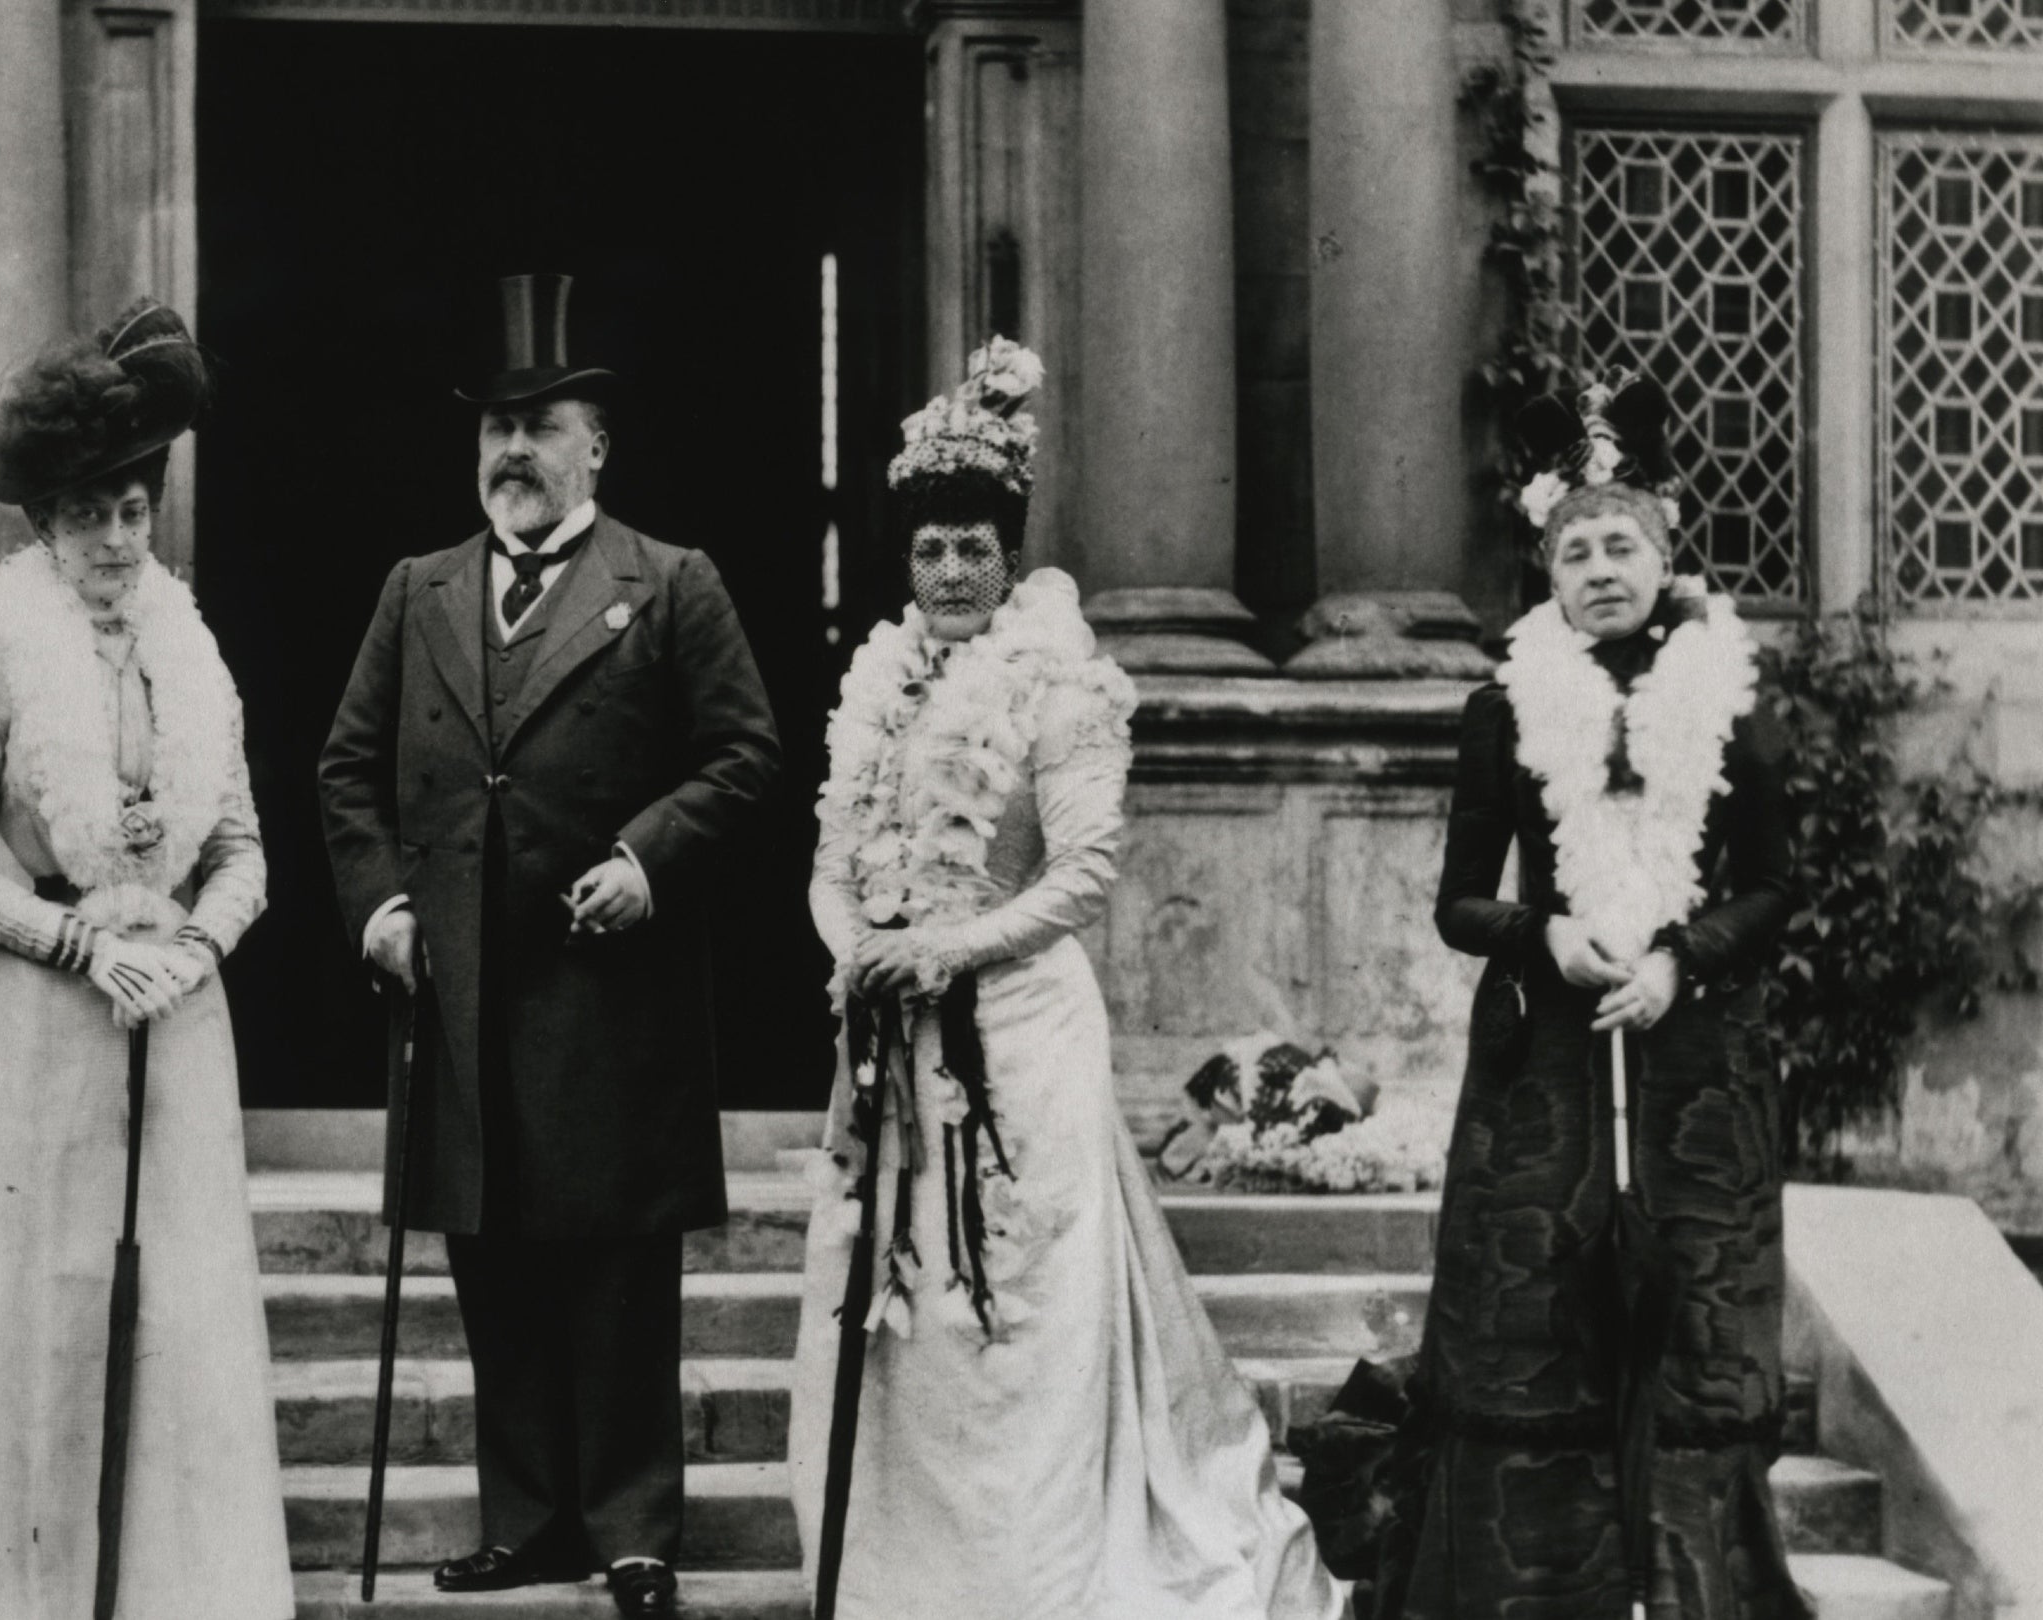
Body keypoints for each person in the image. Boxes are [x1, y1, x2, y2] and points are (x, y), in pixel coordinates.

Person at [786, 339, 1342, 1620]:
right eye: (929, 551)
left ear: (1010, 553)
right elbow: (831, 858)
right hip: (891, 1039)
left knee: (1011, 1304)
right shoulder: (877, 686)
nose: (951, 574)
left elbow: (1085, 874)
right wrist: (855, 952)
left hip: (1019, 1036)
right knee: (894, 1296)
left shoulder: (1063, 684)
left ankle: (1021, 1581)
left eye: (974, 548)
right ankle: (901, 1576)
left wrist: (947, 950)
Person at [316, 273, 781, 1619]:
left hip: (609, 992)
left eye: (541, 426)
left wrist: (650, 857)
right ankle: (528, 1524)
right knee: (495, 1255)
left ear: (597, 448)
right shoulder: (420, 589)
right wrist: (380, 910)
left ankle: (635, 1529)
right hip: (459, 990)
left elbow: (746, 755)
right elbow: (348, 773)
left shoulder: (672, 584)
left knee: (618, 1265)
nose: (511, 453)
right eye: (492, 432)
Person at [0, 300, 293, 1619]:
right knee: (33, 1315)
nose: (114, 539)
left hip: (180, 1026)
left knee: (170, 1319)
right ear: (41, 522)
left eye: (134, 510)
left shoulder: (196, 657)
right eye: (87, 513)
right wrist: (81, 941)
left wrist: (196, 943)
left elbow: (245, 848)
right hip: (38, 1029)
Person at [1306, 379, 1808, 1619]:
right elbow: (1459, 903)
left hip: (1697, 1057)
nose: (1598, 569)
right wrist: (1549, 934)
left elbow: (1776, 884)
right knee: (1537, 1315)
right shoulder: (1507, 708)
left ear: (1665, 550)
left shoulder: (1730, 700)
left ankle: (1684, 1583)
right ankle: (1546, 1584)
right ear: (1547, 567)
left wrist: (1681, 959)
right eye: (1574, 549)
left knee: (1688, 1317)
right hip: (1550, 1059)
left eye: (1620, 544)